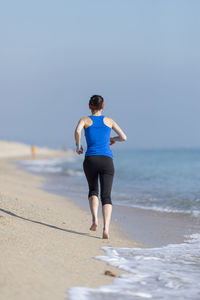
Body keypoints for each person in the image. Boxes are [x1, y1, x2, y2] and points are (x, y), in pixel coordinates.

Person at [74, 95, 127, 239]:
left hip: (90, 159)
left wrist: (78, 146)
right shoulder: (109, 121)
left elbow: (78, 131)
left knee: (93, 190)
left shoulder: (84, 120)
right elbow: (124, 137)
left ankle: (94, 219)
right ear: (103, 106)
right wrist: (112, 139)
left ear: (89, 106)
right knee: (106, 196)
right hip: (106, 161)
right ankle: (106, 229)